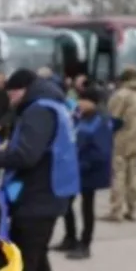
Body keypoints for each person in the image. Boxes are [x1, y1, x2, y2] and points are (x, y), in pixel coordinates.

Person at [0, 69, 79, 271]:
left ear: (21, 90)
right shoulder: (53, 105)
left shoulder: (37, 111)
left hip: (37, 199)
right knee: (38, 255)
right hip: (50, 195)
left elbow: (26, 156)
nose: (10, 101)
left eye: (11, 95)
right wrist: (6, 147)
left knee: (26, 261)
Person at [53, 88, 114, 260]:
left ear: (92, 102)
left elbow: (101, 152)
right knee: (66, 204)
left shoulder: (100, 121)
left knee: (87, 207)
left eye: (83, 100)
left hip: (89, 171)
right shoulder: (79, 117)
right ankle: (70, 237)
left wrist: (81, 165)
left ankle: (85, 244)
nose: (80, 103)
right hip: (75, 169)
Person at [104, 67, 136, 222]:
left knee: (118, 174)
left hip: (121, 138)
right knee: (134, 174)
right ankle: (133, 209)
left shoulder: (121, 95)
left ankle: (116, 210)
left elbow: (113, 118)